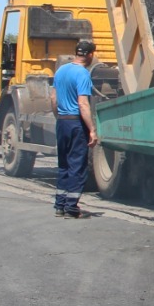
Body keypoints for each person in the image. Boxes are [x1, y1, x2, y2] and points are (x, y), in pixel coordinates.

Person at [51, 39, 99, 218]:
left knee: (63, 165)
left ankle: (60, 205)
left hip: (62, 122)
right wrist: (92, 129)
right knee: (77, 166)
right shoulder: (83, 74)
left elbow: (53, 99)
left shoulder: (61, 70)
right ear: (90, 55)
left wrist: (59, 117)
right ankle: (72, 208)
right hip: (76, 124)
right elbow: (83, 103)